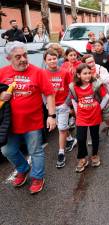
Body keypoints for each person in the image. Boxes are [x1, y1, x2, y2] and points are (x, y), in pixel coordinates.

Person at [0, 41, 56, 194]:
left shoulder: (38, 72)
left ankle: (38, 177)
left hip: (33, 122)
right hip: (9, 123)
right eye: (18, 57)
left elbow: (49, 94)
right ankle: (23, 168)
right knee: (7, 151)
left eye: (25, 55)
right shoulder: (2, 72)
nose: (23, 59)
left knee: (35, 151)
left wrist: (51, 116)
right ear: (9, 58)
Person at [70, 64, 109, 172]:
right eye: (84, 73)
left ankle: (95, 155)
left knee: (94, 136)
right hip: (81, 117)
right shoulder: (74, 86)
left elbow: (106, 96)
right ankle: (82, 158)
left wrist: (99, 108)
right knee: (81, 138)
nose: (87, 76)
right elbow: (73, 99)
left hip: (94, 115)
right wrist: (77, 112)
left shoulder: (95, 84)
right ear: (78, 75)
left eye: (89, 73)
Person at [43, 49, 77, 168]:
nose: (52, 61)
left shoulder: (65, 72)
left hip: (63, 105)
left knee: (61, 127)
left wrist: (66, 103)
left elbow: (72, 88)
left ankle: (61, 152)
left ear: (58, 59)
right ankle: (70, 139)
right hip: (51, 106)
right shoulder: (43, 74)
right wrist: (46, 104)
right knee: (60, 125)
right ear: (45, 61)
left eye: (54, 58)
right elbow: (42, 91)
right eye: (49, 59)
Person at [81, 54, 109, 137]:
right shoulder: (82, 70)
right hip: (89, 95)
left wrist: (99, 78)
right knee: (92, 114)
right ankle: (93, 134)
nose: (91, 64)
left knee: (106, 113)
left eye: (92, 61)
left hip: (103, 94)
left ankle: (108, 127)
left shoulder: (100, 68)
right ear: (84, 63)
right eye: (89, 62)